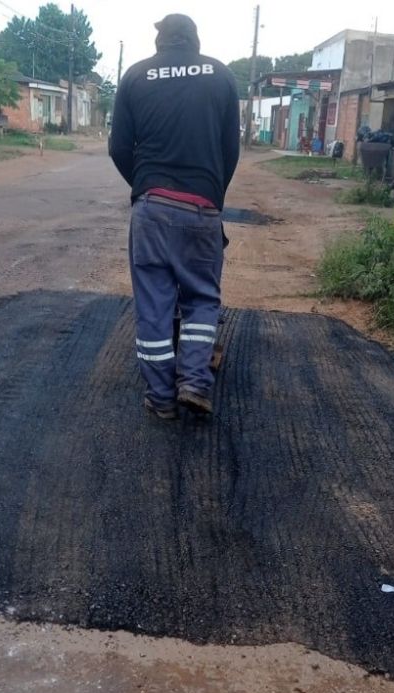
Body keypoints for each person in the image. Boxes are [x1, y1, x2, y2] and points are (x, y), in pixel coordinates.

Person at [108, 13, 240, 419]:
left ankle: (162, 397)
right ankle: (195, 382)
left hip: (150, 208)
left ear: (160, 41)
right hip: (202, 207)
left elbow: (118, 147)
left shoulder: (134, 77)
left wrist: (145, 187)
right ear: (194, 40)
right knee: (201, 298)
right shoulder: (220, 76)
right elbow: (229, 150)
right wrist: (212, 194)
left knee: (154, 303)